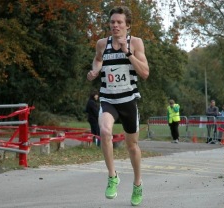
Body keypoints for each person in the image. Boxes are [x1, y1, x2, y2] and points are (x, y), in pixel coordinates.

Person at [87, 6, 149, 206]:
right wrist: (94, 71)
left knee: (132, 146)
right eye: (112, 22)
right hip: (108, 99)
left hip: (128, 100)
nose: (115, 25)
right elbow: (97, 60)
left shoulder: (136, 43)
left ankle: (137, 184)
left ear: (127, 25)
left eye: (119, 22)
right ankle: (112, 176)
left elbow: (145, 73)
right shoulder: (102, 44)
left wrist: (128, 53)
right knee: (105, 131)